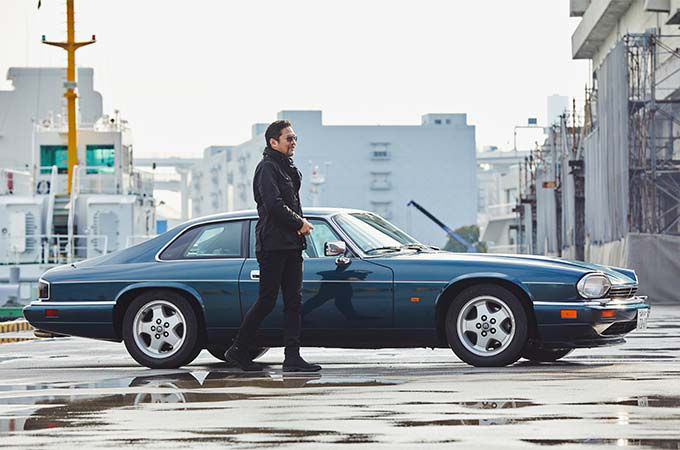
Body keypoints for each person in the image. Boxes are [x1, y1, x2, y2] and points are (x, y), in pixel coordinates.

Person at [224, 120, 322, 372]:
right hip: (272, 245)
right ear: (273, 142)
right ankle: (237, 349)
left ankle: (292, 357)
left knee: (294, 302)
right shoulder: (267, 168)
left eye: (295, 138)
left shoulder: (287, 168)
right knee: (267, 300)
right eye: (289, 138)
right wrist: (299, 223)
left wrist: (298, 229)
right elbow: (274, 205)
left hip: (291, 245)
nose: (294, 142)